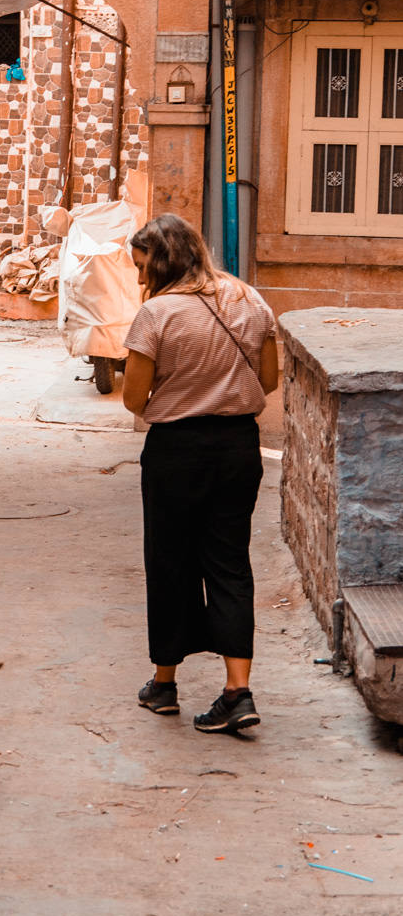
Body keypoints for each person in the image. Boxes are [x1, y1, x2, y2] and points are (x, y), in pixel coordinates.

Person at [121, 214, 279, 735]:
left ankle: (164, 685)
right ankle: (238, 692)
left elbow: (134, 400)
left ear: (162, 261)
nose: (142, 279)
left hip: (176, 452)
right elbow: (270, 379)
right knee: (229, 564)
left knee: (170, 562)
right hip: (238, 448)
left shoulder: (156, 314)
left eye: (144, 266)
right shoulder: (250, 299)